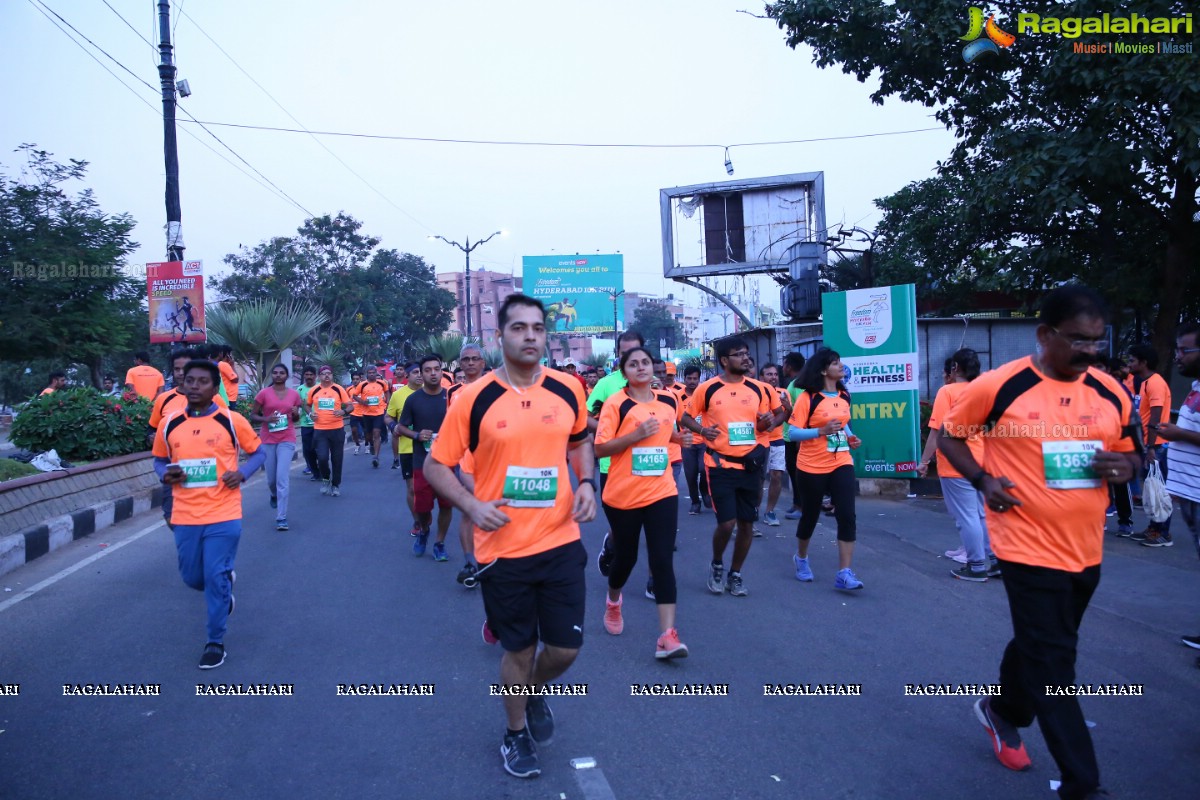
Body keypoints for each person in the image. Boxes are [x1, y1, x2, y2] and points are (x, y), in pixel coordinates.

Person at [939, 285, 1138, 800]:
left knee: (1045, 643)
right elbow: (949, 435)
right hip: (1024, 543)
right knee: (1055, 662)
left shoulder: (1110, 391)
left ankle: (1002, 709)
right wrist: (984, 481)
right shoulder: (999, 386)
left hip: (1087, 547)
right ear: (1045, 334)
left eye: (1096, 342)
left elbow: (1132, 449)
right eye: (1077, 340)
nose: (1089, 352)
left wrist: (1127, 466)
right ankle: (1082, 783)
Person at [424, 294, 595, 780]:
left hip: (561, 540)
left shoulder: (567, 389)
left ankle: (533, 689)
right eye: (518, 328)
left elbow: (581, 441)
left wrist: (585, 482)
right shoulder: (472, 398)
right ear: (501, 336)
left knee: (564, 651)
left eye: (537, 328)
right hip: (502, 550)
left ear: (546, 335)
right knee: (518, 650)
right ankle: (515, 731)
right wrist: (472, 504)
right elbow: (438, 465)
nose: (530, 337)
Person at [152, 359, 266, 669]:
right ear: (182, 384)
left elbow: (259, 452)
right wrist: (166, 474)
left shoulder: (232, 420)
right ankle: (225, 584)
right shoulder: (170, 422)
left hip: (224, 512)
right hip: (185, 514)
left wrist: (242, 474)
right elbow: (159, 460)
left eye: (202, 382)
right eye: (190, 380)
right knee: (192, 578)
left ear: (215, 389)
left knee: (214, 578)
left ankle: (215, 641)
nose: (194, 386)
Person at [594, 346, 688, 659]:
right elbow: (601, 449)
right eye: (633, 364)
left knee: (662, 560)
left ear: (653, 368)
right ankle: (613, 601)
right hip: (623, 495)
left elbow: (665, 433)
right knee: (627, 558)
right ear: (625, 372)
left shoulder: (667, 401)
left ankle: (667, 635)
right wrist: (634, 436)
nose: (641, 368)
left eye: (645, 362)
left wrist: (679, 439)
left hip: (662, 491)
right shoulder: (615, 404)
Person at [680, 337, 783, 597]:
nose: (746, 358)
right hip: (720, 465)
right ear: (725, 361)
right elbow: (684, 416)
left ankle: (735, 573)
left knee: (747, 524)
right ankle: (717, 563)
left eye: (747, 354)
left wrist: (770, 421)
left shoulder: (760, 389)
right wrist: (703, 430)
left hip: (751, 466)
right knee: (727, 524)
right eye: (739, 354)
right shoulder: (708, 389)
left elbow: (780, 413)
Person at [787, 348, 864, 591]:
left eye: (840, 362)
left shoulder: (844, 395)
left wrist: (850, 436)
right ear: (823, 370)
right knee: (810, 515)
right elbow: (792, 433)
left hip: (841, 461)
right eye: (835, 363)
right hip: (811, 465)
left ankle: (844, 572)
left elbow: (843, 424)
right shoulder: (808, 398)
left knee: (847, 515)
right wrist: (820, 431)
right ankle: (801, 558)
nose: (841, 366)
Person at [917, 349, 998, 580]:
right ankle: (994, 560)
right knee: (982, 514)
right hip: (984, 460)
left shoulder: (947, 392)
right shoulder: (985, 391)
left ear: (955, 369)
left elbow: (937, 432)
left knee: (967, 516)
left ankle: (976, 565)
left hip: (956, 462)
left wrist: (924, 461)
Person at [1155, 323, 1200, 664]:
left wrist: (1177, 434)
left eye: (1185, 350)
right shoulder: (1196, 388)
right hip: (1191, 492)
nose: (1179, 356)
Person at [588, 331, 648, 575]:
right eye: (625, 353)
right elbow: (584, 416)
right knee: (622, 526)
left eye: (636, 352)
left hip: (649, 465)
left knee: (650, 524)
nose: (632, 358)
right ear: (619, 355)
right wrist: (609, 431)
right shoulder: (606, 384)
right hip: (612, 466)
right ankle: (612, 545)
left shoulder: (653, 384)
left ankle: (656, 581)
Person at [397, 354, 453, 560]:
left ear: (441, 371)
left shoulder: (451, 397)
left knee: (446, 505)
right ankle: (424, 531)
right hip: (422, 462)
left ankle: (439, 543)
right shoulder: (413, 400)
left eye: (436, 369)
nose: (432, 373)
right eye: (427, 370)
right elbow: (400, 426)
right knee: (422, 507)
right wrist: (417, 435)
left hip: (447, 462)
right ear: (421, 374)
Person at [1127, 344, 1174, 546]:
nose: (1129, 364)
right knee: (1152, 489)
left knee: (1159, 489)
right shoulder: (1146, 382)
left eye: (1132, 360)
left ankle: (1163, 533)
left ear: (1143, 362)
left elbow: (1156, 417)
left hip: (1157, 446)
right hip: (1151, 444)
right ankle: (1154, 528)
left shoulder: (1155, 383)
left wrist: (1151, 448)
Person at [449, 343, 487, 584]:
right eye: (466, 359)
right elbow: (449, 427)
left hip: (496, 458)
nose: (471, 363)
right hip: (464, 460)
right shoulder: (453, 392)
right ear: (460, 364)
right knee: (468, 511)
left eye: (475, 359)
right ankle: (469, 562)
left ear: (482, 363)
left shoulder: (498, 387)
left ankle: (496, 557)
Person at [250, 363, 302, 531]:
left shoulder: (294, 395)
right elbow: (253, 415)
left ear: (287, 376)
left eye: (282, 373)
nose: (278, 375)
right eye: (276, 373)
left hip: (287, 438)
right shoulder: (263, 394)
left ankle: (281, 517)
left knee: (282, 478)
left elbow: (296, 419)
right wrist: (266, 420)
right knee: (271, 479)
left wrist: (295, 414)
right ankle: (273, 495)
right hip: (268, 439)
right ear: (272, 375)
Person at [386, 363, 422, 533]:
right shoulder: (398, 395)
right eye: (416, 372)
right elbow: (388, 416)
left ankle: (426, 516)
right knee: (412, 488)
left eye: (422, 372)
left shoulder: (434, 392)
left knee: (431, 491)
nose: (420, 375)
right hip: (407, 449)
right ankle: (417, 522)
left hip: (431, 450)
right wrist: (393, 426)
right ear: (407, 375)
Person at [306, 365, 352, 497]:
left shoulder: (338, 389)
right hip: (320, 430)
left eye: (329, 373)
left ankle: (336, 484)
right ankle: (326, 478)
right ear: (319, 376)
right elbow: (307, 405)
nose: (326, 375)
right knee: (322, 458)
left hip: (337, 430)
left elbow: (350, 406)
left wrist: (343, 411)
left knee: (337, 459)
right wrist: (310, 414)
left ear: (332, 375)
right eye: (323, 373)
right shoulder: (314, 390)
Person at [759, 363, 793, 527]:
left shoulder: (784, 393)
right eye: (769, 374)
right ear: (761, 377)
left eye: (775, 374)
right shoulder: (757, 392)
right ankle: (753, 509)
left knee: (777, 475)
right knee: (758, 479)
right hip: (759, 440)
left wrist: (789, 409)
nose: (773, 377)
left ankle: (770, 511)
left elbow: (789, 419)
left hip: (778, 440)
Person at [679, 364, 711, 514]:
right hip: (687, 441)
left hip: (704, 440)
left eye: (695, 378)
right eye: (689, 378)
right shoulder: (677, 396)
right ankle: (695, 502)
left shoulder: (704, 394)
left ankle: (705, 490)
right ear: (684, 379)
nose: (692, 381)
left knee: (703, 470)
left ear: (699, 379)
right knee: (691, 474)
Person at [780, 352, 806, 520]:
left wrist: (800, 438)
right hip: (790, 435)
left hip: (796, 437)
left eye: (784, 364)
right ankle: (797, 504)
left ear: (789, 366)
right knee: (792, 471)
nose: (782, 367)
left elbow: (802, 411)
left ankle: (801, 506)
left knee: (798, 473)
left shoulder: (799, 384)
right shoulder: (794, 383)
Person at [352, 364, 391, 468]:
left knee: (376, 433)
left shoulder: (382, 383)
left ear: (376, 373)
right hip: (366, 413)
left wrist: (387, 401)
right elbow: (354, 395)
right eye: (370, 373)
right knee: (368, 435)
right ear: (367, 374)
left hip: (379, 412)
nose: (372, 374)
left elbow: (387, 392)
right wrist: (362, 401)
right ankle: (372, 444)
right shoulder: (362, 385)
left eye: (373, 373)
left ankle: (376, 457)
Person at [296, 366, 320, 479]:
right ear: (304, 376)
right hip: (305, 423)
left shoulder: (320, 388)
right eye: (307, 374)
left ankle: (318, 466)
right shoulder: (300, 390)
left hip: (320, 423)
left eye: (311, 375)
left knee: (319, 446)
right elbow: (295, 405)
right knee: (307, 448)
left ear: (315, 376)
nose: (309, 377)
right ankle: (310, 465)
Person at [214, 345, 241, 410]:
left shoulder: (221, 364)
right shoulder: (224, 365)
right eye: (231, 354)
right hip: (229, 398)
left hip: (228, 397)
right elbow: (235, 379)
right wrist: (233, 366)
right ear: (227, 354)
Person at [346, 370, 365, 455]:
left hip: (364, 413)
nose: (355, 381)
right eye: (353, 379)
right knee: (354, 430)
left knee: (366, 431)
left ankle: (367, 444)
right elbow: (346, 400)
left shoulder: (364, 388)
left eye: (357, 379)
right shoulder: (348, 389)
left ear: (360, 379)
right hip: (353, 413)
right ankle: (357, 445)